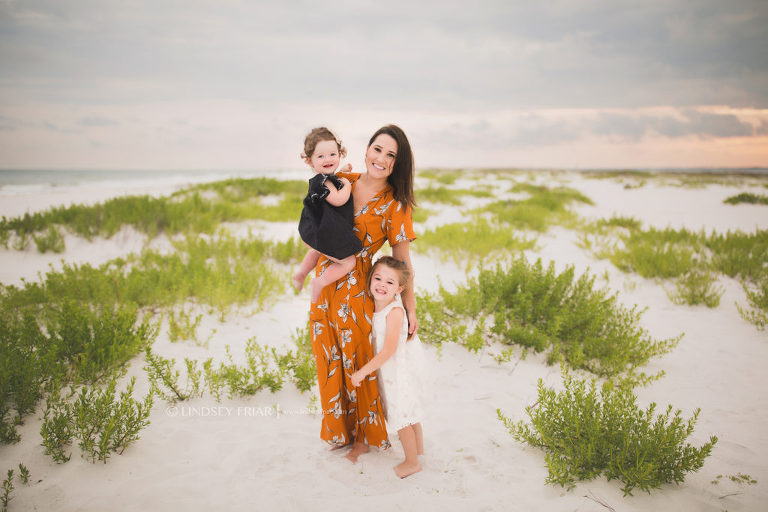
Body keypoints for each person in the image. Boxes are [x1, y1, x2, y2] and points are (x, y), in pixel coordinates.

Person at [308, 124, 418, 463]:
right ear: (366, 150)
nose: (381, 159)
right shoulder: (344, 182)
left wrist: (411, 310)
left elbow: (404, 265)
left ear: (397, 165)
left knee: (357, 361)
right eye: (377, 149)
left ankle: (363, 438)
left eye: (391, 155)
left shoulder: (395, 206)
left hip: (358, 291)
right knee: (327, 357)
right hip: (325, 283)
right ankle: (339, 432)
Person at [351, 256, 425, 478]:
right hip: (391, 373)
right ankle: (419, 452)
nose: (382, 285)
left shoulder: (394, 312)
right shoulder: (376, 307)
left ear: (400, 289)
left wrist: (362, 372)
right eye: (378, 278)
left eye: (390, 283)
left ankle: (412, 462)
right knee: (410, 414)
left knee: (402, 418)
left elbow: (388, 350)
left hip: (396, 374)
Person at [293, 127, 362, 303]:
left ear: (340, 154)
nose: (328, 159)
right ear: (310, 161)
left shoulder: (324, 178)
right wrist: (346, 184)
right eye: (321, 156)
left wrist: (342, 171)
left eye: (332, 154)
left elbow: (332, 177)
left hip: (318, 228)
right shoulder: (321, 182)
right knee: (349, 262)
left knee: (317, 251)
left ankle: (301, 273)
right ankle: (320, 282)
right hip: (326, 231)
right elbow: (338, 199)